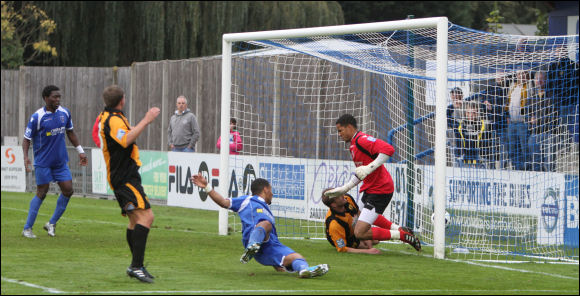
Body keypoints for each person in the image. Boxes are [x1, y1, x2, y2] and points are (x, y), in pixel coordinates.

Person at [191, 173, 329, 278]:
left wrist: (277, 263)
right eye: (271, 189)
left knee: (297, 257)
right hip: (252, 236)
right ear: (265, 189)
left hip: (269, 247)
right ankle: (252, 245)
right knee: (266, 224)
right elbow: (223, 202)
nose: (272, 193)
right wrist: (207, 187)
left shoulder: (267, 211)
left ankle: (304, 270)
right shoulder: (247, 200)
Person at [323, 114, 421, 251]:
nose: (339, 134)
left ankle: (402, 235)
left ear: (349, 127)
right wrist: (345, 188)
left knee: (360, 232)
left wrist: (369, 168)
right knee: (363, 218)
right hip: (369, 188)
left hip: (380, 189)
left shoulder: (361, 140)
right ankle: (399, 229)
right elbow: (361, 173)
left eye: (340, 130)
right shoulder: (353, 145)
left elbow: (389, 149)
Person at [99, 85, 160, 283]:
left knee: (135, 220)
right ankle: (136, 266)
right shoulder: (113, 119)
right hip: (124, 177)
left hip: (124, 175)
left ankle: (138, 265)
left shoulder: (111, 116)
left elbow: (124, 136)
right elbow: (125, 140)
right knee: (147, 217)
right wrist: (147, 120)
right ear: (122, 99)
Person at [22, 85, 88, 239]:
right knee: (42, 192)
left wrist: (81, 151)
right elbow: (26, 139)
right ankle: (27, 228)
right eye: (54, 97)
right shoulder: (37, 117)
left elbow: (70, 132)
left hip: (60, 162)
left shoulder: (64, 113)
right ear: (46, 98)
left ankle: (51, 223)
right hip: (43, 162)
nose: (58, 99)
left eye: (59, 97)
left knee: (68, 190)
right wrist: (26, 156)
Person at [321, 190, 412, 255]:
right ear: (333, 204)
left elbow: (361, 216)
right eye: (338, 196)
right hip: (347, 237)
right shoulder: (334, 224)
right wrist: (367, 251)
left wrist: (364, 235)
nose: (342, 195)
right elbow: (342, 249)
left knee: (372, 237)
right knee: (368, 244)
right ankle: (400, 235)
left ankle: (398, 231)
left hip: (354, 228)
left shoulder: (347, 199)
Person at [526, 71, 557, 172]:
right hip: (534, 133)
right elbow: (526, 114)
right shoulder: (531, 97)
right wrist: (530, 119)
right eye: (537, 79)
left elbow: (553, 116)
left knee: (549, 164)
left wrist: (537, 120)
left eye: (541, 79)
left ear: (546, 81)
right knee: (535, 163)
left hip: (548, 133)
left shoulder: (552, 96)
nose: (539, 81)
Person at [506, 70, 531, 170]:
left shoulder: (529, 85)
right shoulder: (513, 86)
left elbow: (531, 101)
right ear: (516, 75)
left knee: (524, 148)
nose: (521, 76)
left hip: (522, 122)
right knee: (512, 149)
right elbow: (508, 102)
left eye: (524, 73)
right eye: (520, 74)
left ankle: (527, 169)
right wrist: (507, 116)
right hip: (512, 122)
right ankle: (516, 168)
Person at [457, 101, 487, 167]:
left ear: (477, 113)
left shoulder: (481, 124)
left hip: (478, 157)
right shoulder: (462, 124)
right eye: (468, 113)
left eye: (473, 113)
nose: (471, 115)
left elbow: (483, 141)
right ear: (465, 113)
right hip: (464, 157)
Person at [447, 87, 464, 157]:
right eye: (453, 95)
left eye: (457, 95)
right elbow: (449, 122)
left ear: (462, 96)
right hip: (455, 140)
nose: (455, 97)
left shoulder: (466, 106)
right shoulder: (449, 108)